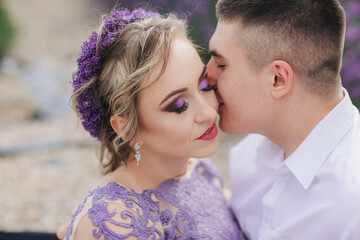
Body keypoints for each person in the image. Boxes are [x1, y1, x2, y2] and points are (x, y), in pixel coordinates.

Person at [60, 8, 244, 240]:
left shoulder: (198, 167)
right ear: (126, 127)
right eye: (178, 106)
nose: (208, 112)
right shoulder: (117, 223)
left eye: (205, 85)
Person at [207, 0, 360, 239]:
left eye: (221, 64)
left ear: (278, 79)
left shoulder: (352, 208)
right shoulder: (249, 151)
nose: (206, 77)